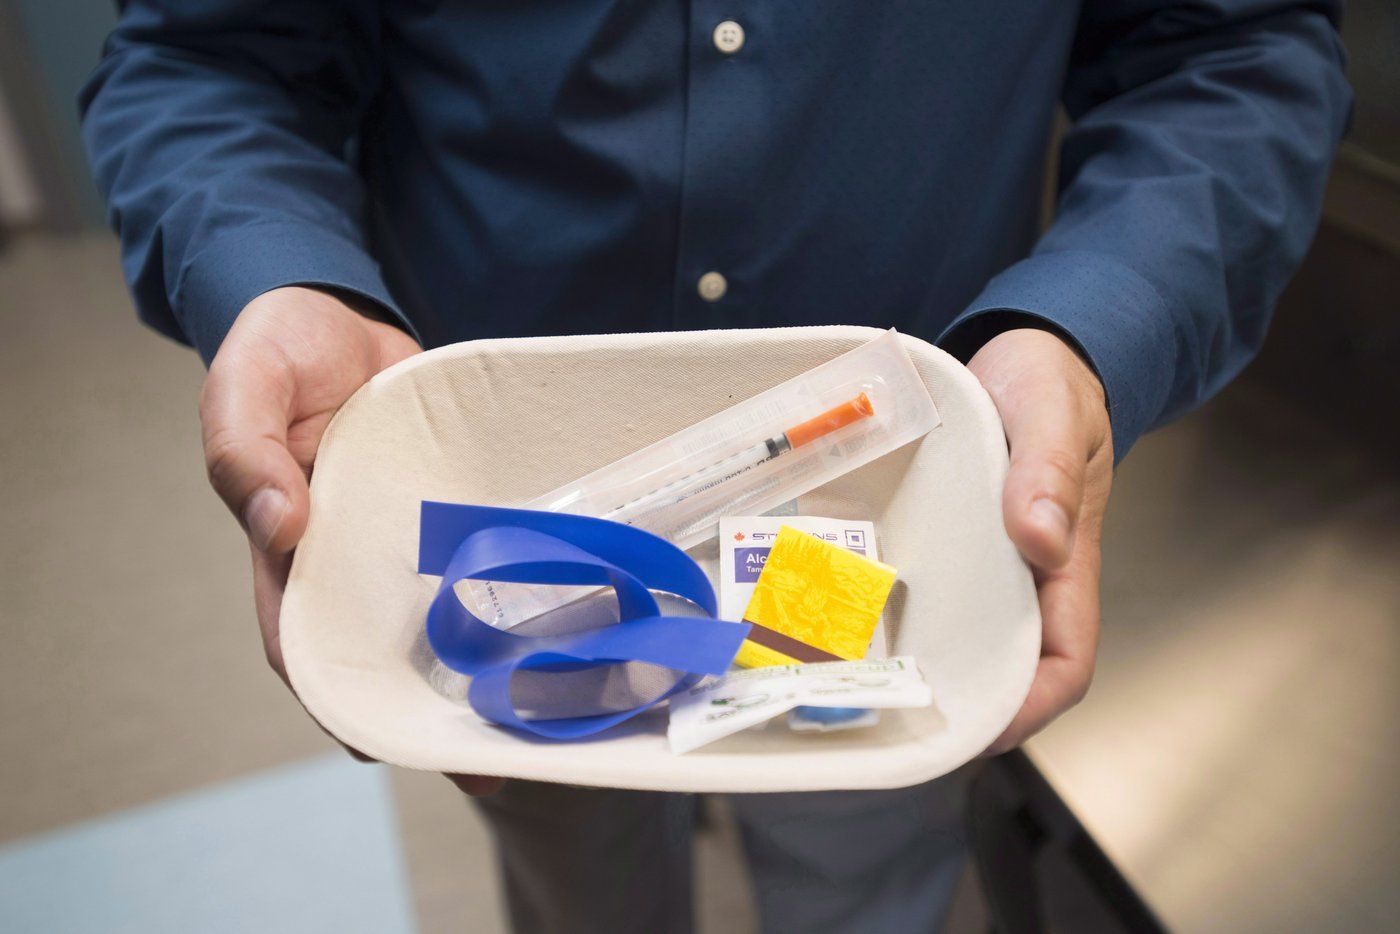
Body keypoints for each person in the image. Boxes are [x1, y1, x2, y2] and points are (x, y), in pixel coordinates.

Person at [80, 2, 1350, 931]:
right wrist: (277, 271)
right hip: (508, 528)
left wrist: (1087, 326)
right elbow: (207, 56)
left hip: (897, 523)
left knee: (862, 864)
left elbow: (1227, 50)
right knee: (576, 872)